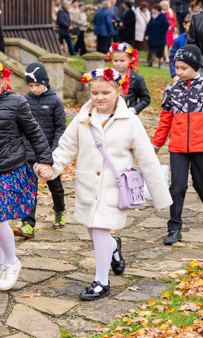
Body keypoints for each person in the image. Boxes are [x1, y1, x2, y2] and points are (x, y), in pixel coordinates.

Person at [35, 68, 171, 301]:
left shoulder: (130, 122)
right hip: (88, 185)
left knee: (98, 230)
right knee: (93, 229)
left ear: (119, 91)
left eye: (105, 92)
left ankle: (102, 282)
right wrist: (51, 167)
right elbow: (67, 146)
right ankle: (114, 247)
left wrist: (160, 196)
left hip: (113, 189)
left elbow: (147, 158)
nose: (99, 97)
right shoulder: (82, 118)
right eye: (95, 92)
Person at [0, 57, 53, 292]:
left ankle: (13, 263)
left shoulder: (16, 103)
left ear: (2, 84)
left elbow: (34, 132)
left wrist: (45, 160)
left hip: (9, 169)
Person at [153, 45, 203, 245]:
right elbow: (165, 120)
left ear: (195, 66)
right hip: (178, 147)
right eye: (176, 67)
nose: (178, 72)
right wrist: (156, 145)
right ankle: (174, 227)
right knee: (177, 187)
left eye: (183, 68)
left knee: (201, 184)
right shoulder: (171, 91)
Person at [13, 62, 67, 238]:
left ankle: (59, 210)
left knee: (55, 187)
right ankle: (28, 224)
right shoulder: (24, 101)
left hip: (49, 154)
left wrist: (53, 152)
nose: (34, 89)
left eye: (37, 85)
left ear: (45, 82)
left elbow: (60, 128)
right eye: (30, 85)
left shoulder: (55, 102)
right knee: (28, 190)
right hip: (28, 153)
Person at [108, 42, 151, 115]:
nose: (118, 64)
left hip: (127, 115)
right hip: (109, 114)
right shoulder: (107, 75)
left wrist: (134, 109)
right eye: (115, 61)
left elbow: (145, 99)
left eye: (122, 61)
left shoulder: (137, 78)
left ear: (130, 59)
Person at [169, 14, 193, 80]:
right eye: (189, 26)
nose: (191, 28)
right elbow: (172, 58)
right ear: (184, 25)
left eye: (193, 26)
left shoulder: (201, 40)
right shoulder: (179, 40)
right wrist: (174, 74)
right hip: (181, 73)